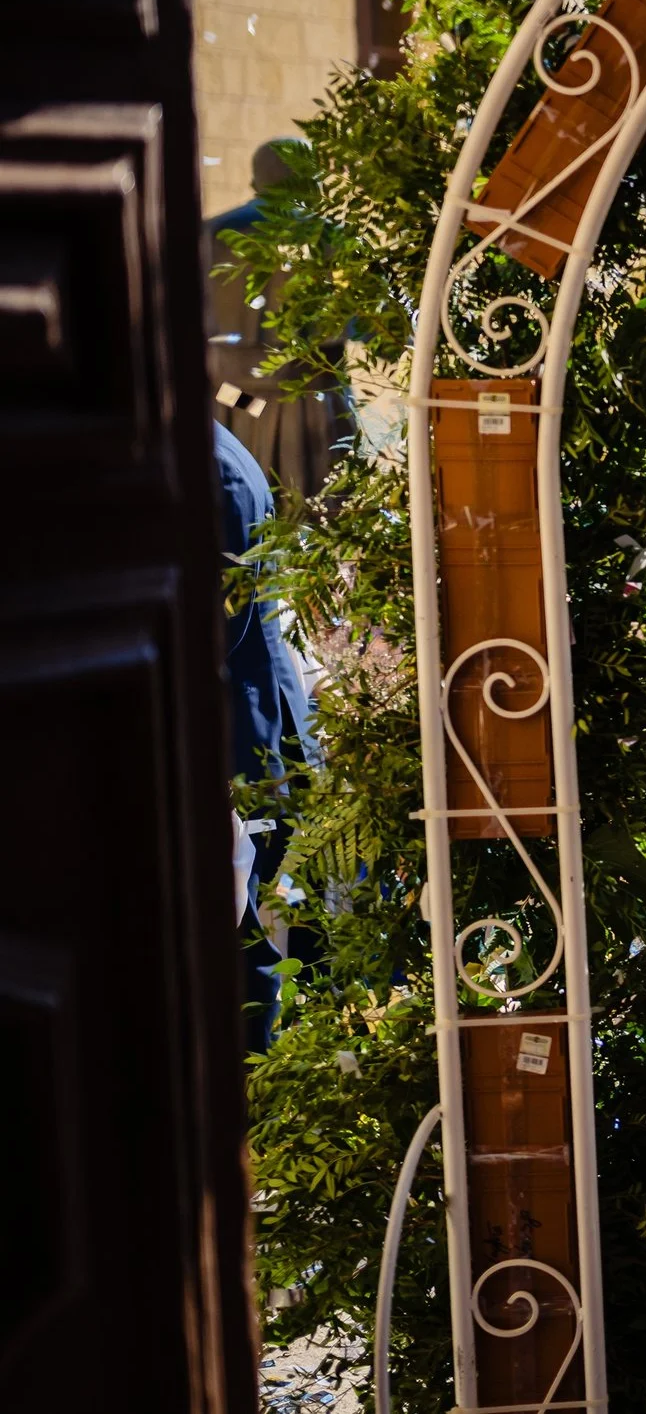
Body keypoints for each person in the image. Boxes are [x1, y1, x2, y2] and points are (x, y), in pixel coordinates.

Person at [217, 420, 316, 1051]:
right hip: (250, 705)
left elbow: (221, 622)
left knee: (241, 923)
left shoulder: (217, 469)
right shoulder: (215, 449)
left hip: (240, 716)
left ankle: (256, 1076)